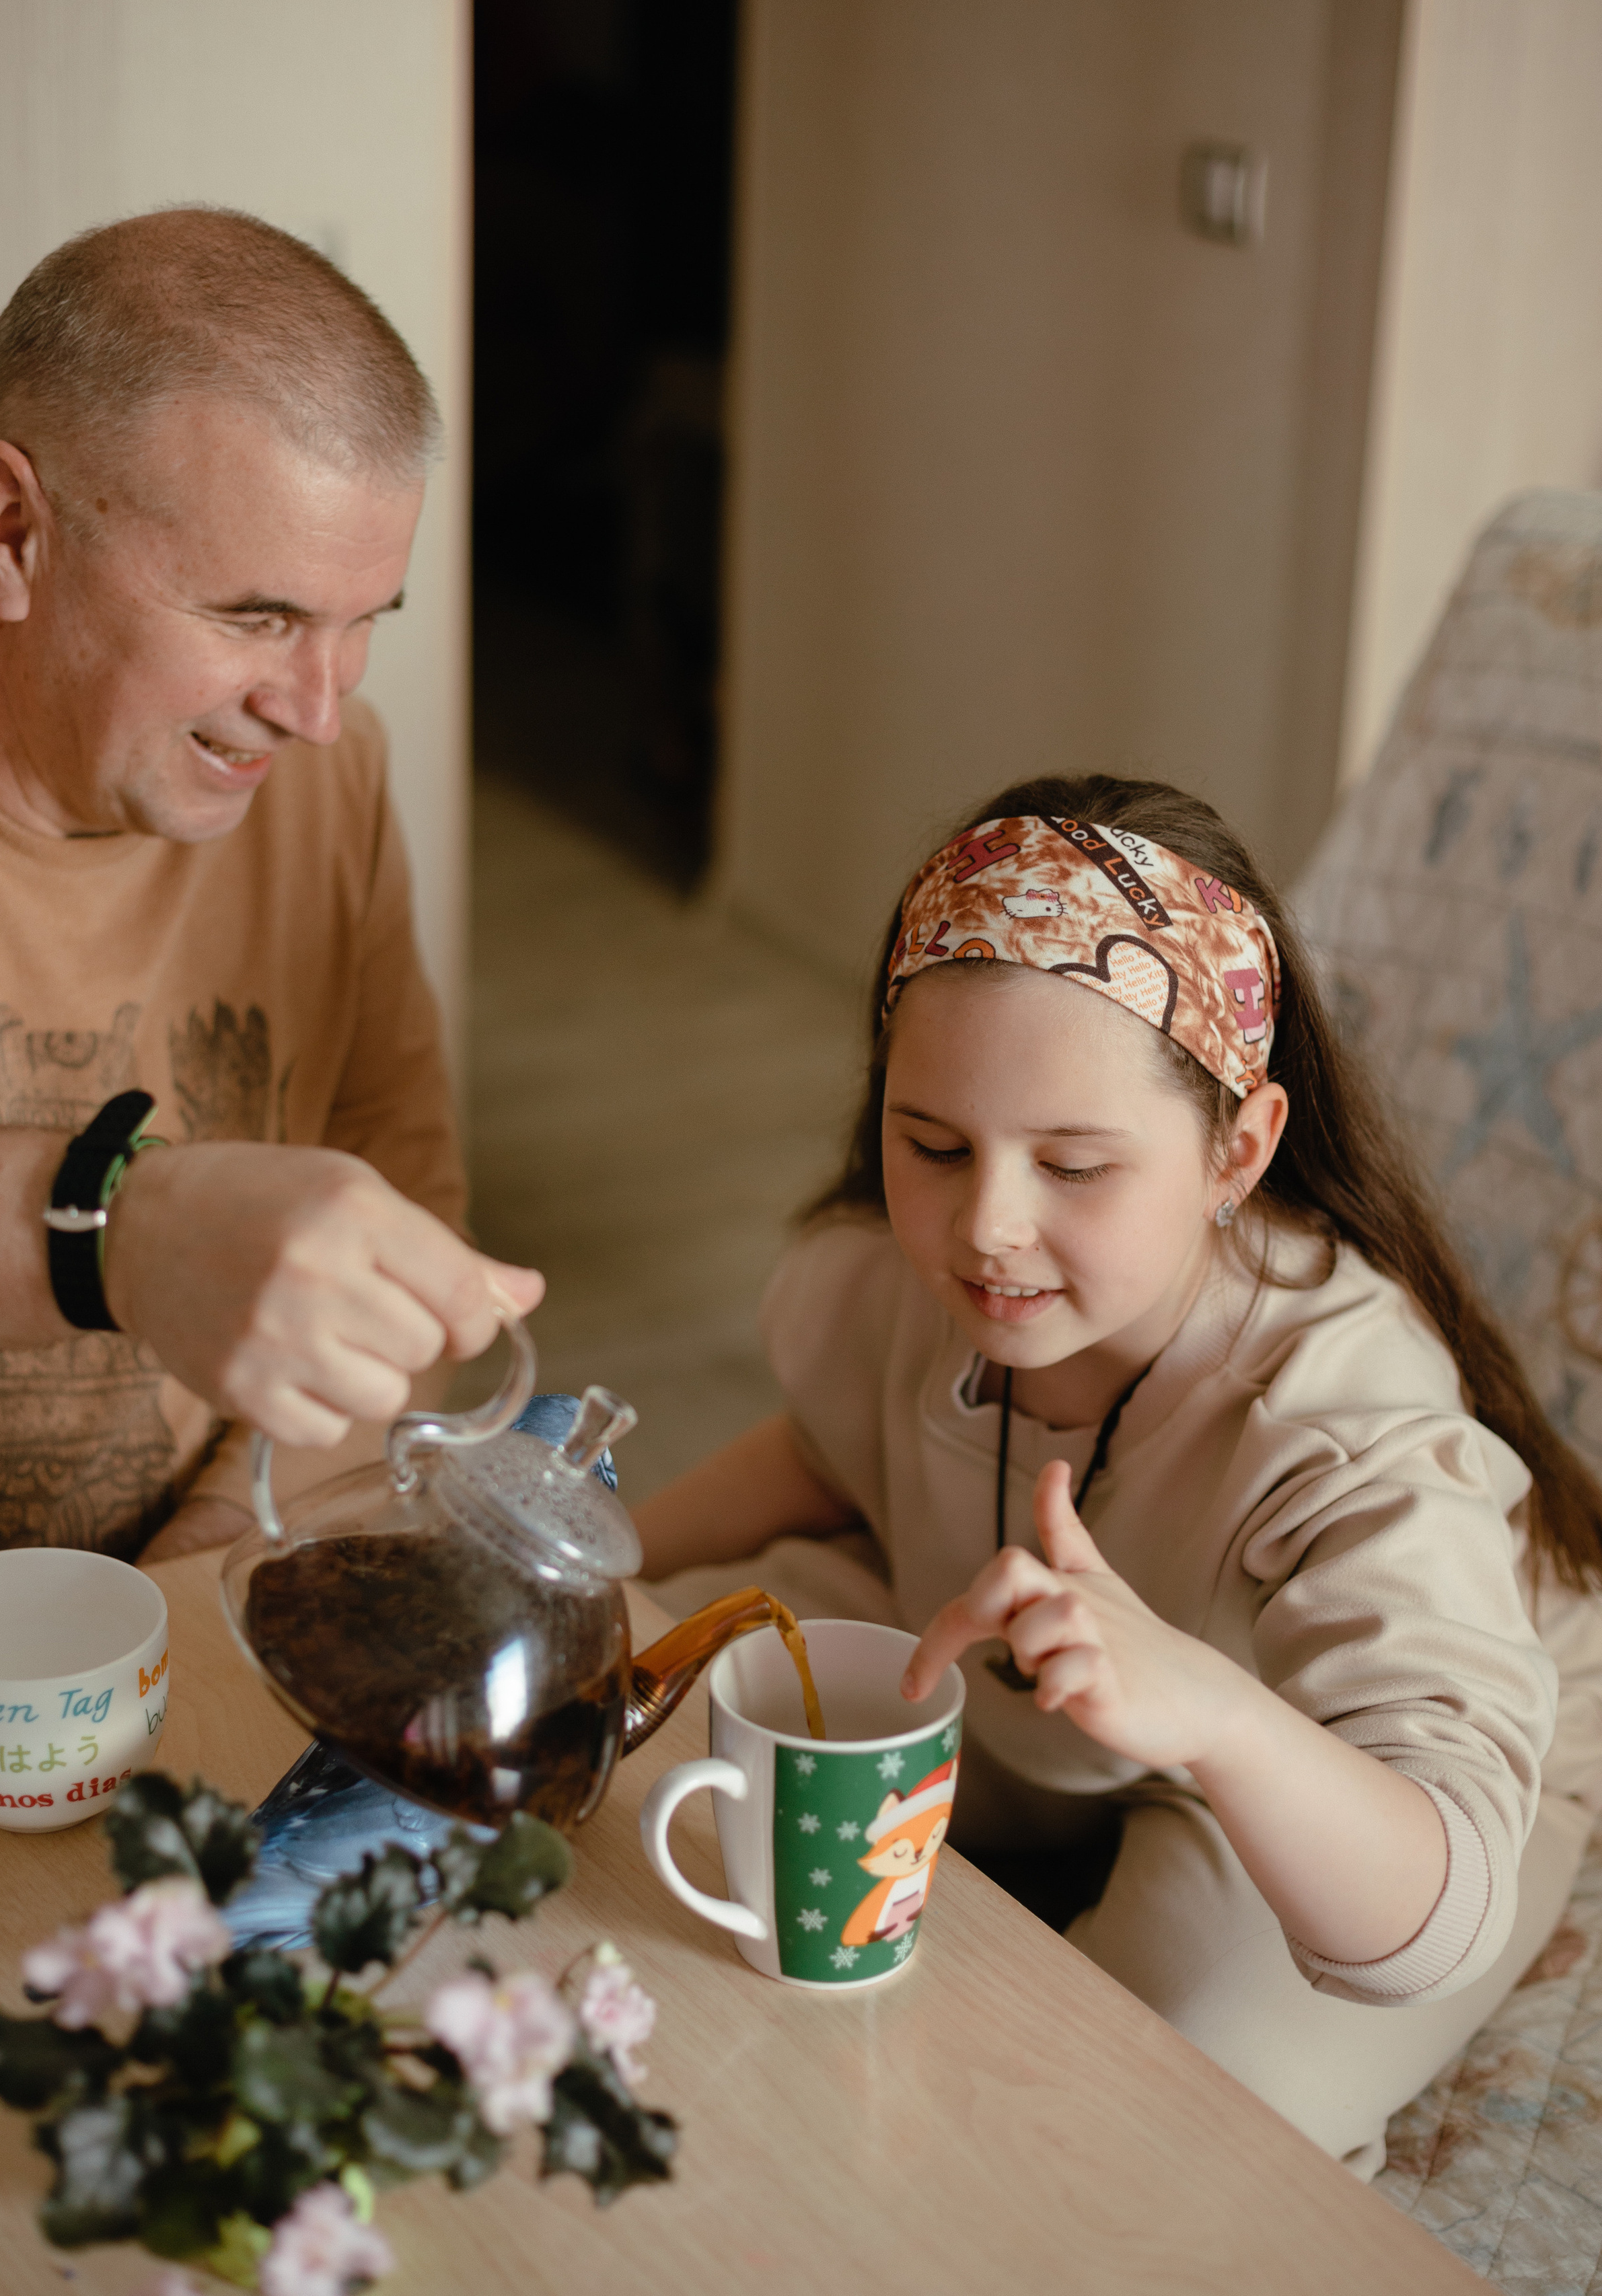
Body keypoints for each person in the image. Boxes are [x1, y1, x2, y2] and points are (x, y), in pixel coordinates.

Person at [635, 774, 1602, 2178]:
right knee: (662, 1684)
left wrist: (1205, 1708)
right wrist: (599, 1552)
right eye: (932, 1147)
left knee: (1152, 2112)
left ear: (1238, 1150)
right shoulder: (918, 1286)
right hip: (1044, 1695)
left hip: (1313, 1782)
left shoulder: (1343, 1414)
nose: (987, 1227)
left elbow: (1431, 1901)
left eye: (1075, 1165)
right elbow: (827, 1455)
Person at [0, 209, 540, 1613]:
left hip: (200, 1610)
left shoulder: (322, 772)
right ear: (10, 533)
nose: (316, 707)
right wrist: (113, 1229)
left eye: (366, 618)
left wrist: (194, 1596)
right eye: (255, 616)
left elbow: (400, 1198)